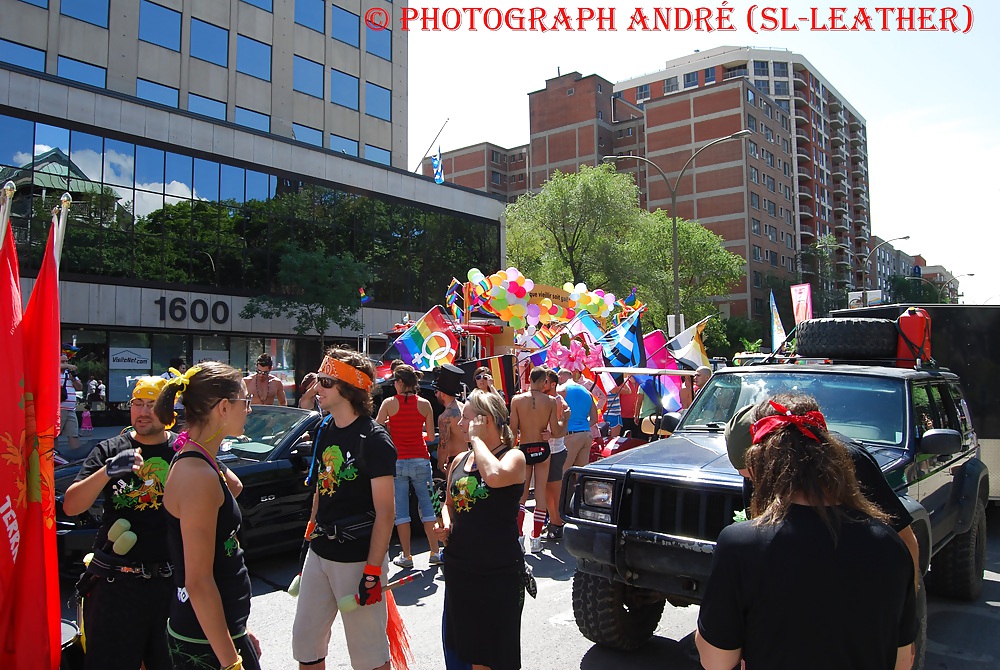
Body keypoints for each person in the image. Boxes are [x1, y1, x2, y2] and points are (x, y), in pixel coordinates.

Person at [697, 394, 917, 670]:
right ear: (832, 453)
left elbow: (716, 660)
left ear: (763, 461)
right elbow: (903, 659)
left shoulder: (740, 544)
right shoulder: (891, 546)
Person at [725, 400, 921, 592]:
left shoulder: (850, 461)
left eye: (757, 471)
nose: (756, 483)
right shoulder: (756, 477)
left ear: (772, 454)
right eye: (747, 475)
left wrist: (910, 600)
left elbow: (902, 534)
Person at [63, 377, 179, 670]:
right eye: (137, 404)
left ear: (168, 411)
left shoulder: (183, 449)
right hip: (116, 584)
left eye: (152, 405)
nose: (142, 412)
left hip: (171, 583)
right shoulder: (110, 449)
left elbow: (234, 488)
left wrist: (201, 447)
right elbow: (72, 504)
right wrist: (108, 471)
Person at [292, 347, 396, 670]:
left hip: (357, 559)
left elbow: (386, 513)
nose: (316, 389)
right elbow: (321, 493)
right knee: (305, 647)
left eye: (325, 381)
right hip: (319, 554)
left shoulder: (375, 440)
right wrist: (307, 545)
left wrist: (373, 570)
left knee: (369, 658)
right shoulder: (325, 430)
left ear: (348, 388)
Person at [158, 362, 260, 670]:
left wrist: (237, 631)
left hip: (218, 631)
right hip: (203, 642)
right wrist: (231, 661)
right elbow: (198, 581)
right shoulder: (196, 474)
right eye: (246, 401)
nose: (250, 410)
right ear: (224, 407)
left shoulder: (202, 459)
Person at [434, 389, 527, 670]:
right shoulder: (460, 461)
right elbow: (448, 503)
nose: (460, 425)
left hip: (496, 572)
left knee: (488, 657)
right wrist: (447, 523)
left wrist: (475, 439)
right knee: (463, 650)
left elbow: (495, 477)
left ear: (485, 420)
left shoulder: (514, 458)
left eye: (467, 419)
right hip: (461, 569)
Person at [375, 364, 442, 568]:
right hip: (421, 459)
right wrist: (417, 433)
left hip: (397, 461)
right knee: (428, 506)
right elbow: (430, 436)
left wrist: (390, 427)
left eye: (395, 381)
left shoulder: (388, 404)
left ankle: (407, 556)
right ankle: (435, 552)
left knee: (402, 511)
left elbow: (376, 430)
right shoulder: (425, 404)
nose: (394, 384)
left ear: (401, 382)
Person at [509, 366, 560, 553]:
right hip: (542, 447)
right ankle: (536, 538)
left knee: (522, 496)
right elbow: (555, 429)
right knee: (540, 493)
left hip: (524, 447)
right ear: (543, 381)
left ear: (530, 379)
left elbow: (512, 430)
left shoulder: (516, 400)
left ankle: (520, 536)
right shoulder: (551, 401)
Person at [541, 368, 569, 541]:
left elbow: (559, 425)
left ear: (552, 384)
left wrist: (551, 434)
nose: (541, 384)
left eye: (545, 381)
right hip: (547, 450)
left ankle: (557, 523)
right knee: (546, 490)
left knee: (553, 490)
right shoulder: (548, 399)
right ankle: (554, 521)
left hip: (556, 450)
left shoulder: (557, 400)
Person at [557, 368, 598, 468]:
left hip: (570, 436)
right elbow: (595, 418)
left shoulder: (561, 390)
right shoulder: (587, 392)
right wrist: (582, 426)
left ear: (560, 377)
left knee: (562, 473)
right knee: (580, 474)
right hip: (586, 435)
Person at [433, 364, 467, 474]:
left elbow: (443, 445)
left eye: (436, 392)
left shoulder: (445, 417)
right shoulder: (464, 407)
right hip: (467, 458)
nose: (435, 395)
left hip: (454, 462)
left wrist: (441, 465)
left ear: (442, 394)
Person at [60, 353, 83, 454]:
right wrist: (68, 366)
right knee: (54, 435)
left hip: (71, 409)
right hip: (59, 409)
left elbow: (79, 387)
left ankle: (77, 456)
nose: (65, 364)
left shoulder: (69, 374)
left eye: (66, 361)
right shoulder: (54, 371)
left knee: (73, 434)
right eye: (62, 361)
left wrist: (73, 378)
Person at [161, 357, 188, 429]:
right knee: (180, 429)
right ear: (178, 366)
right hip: (180, 407)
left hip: (167, 407)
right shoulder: (182, 378)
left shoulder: (163, 376)